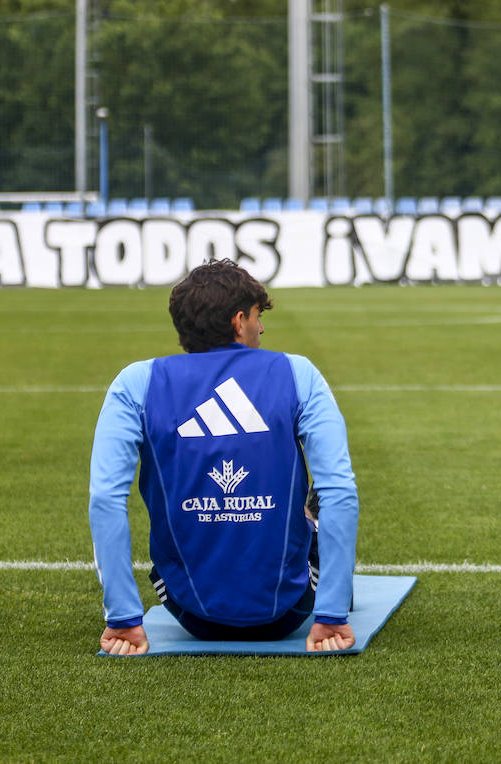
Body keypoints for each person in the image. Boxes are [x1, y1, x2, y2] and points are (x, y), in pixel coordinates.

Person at [89, 258, 359, 654]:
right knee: (323, 499)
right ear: (238, 321)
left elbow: (105, 499)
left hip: (188, 610)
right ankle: (312, 528)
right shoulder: (297, 372)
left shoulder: (135, 382)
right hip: (289, 610)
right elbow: (341, 492)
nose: (261, 327)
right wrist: (331, 616)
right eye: (255, 316)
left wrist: (124, 620)